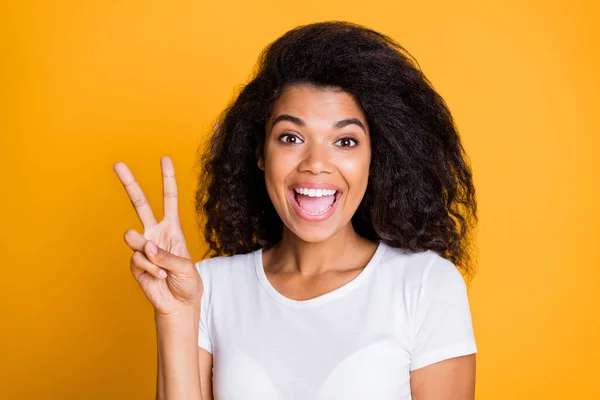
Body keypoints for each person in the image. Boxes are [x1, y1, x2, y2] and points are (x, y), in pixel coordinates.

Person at [114, 20, 478, 400]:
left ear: (376, 157)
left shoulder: (423, 284)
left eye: (345, 140)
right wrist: (174, 315)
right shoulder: (207, 288)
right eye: (291, 137)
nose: (316, 162)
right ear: (259, 153)